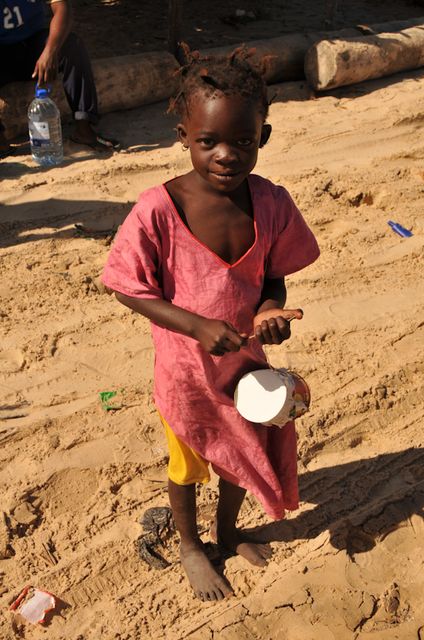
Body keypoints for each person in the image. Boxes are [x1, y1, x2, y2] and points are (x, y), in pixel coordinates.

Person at [102, 47, 320, 601]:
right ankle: (190, 545)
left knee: (241, 453)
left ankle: (227, 531)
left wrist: (270, 311)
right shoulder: (159, 208)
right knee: (188, 464)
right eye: (208, 142)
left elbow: (273, 276)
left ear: (262, 136)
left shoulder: (271, 203)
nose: (226, 155)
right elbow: (126, 285)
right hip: (186, 374)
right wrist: (196, 325)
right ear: (184, 137)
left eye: (243, 141)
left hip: (243, 369)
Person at [0, 0, 119, 157]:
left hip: (33, 43)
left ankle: (84, 130)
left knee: (72, 45)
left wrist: (50, 52)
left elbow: (63, 8)